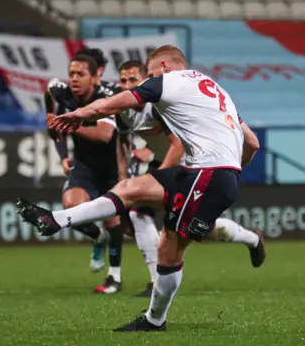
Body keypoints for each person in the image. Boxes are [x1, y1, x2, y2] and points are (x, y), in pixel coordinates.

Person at [16, 45, 263, 331]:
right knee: (130, 189)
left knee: (170, 249)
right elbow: (253, 143)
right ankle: (55, 219)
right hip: (206, 173)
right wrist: (234, 171)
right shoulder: (217, 91)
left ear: (165, 68)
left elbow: (113, 104)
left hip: (207, 174)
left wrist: (79, 113)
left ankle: (155, 320)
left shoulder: (168, 82)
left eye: (151, 74)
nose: (149, 80)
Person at [94, 60, 265, 297]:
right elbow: (122, 141)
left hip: (193, 165)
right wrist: (123, 175)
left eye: (133, 80)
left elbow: (177, 144)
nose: (126, 85)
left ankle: (250, 238)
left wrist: (159, 177)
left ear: (146, 80)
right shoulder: (125, 111)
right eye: (122, 80)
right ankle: (156, 281)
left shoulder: (160, 102)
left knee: (196, 231)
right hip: (167, 164)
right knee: (143, 215)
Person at [44, 54, 123, 293]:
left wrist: (71, 124)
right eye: (71, 74)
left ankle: (114, 278)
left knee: (114, 221)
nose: (74, 79)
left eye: (81, 74)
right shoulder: (61, 92)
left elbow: (104, 135)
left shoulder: (105, 99)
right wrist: (53, 121)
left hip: (112, 168)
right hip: (84, 166)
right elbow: (48, 92)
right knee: (71, 208)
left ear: (94, 78)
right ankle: (98, 237)